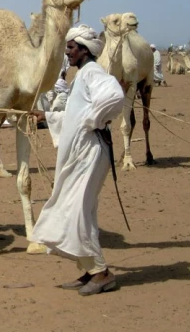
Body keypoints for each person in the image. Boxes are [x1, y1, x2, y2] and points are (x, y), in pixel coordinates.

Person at [29, 25, 125, 296]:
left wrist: (95, 120)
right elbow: (75, 117)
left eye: (71, 48)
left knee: (77, 212)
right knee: (78, 211)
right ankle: (90, 270)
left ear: (84, 49)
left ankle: (102, 273)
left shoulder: (92, 72)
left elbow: (114, 96)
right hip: (82, 153)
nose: (67, 53)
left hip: (91, 154)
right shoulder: (81, 75)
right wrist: (46, 118)